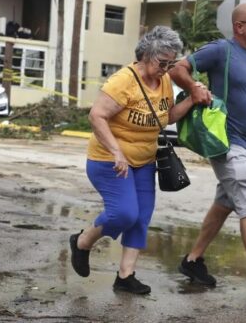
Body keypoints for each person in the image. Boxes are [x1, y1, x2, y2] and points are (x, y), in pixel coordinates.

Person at [169, 2, 246, 304]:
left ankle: (193, 260)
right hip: (226, 143)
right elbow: (177, 68)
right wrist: (195, 86)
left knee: (225, 202)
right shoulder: (221, 51)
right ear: (239, 27)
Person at [68, 25, 198, 295]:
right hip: (108, 160)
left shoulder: (162, 81)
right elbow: (96, 116)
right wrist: (116, 151)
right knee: (124, 213)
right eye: (163, 63)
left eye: (170, 63)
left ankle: (126, 276)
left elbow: (167, 116)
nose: (166, 69)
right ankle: (82, 242)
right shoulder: (122, 81)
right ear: (145, 56)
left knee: (141, 218)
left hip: (144, 162)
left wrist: (192, 100)